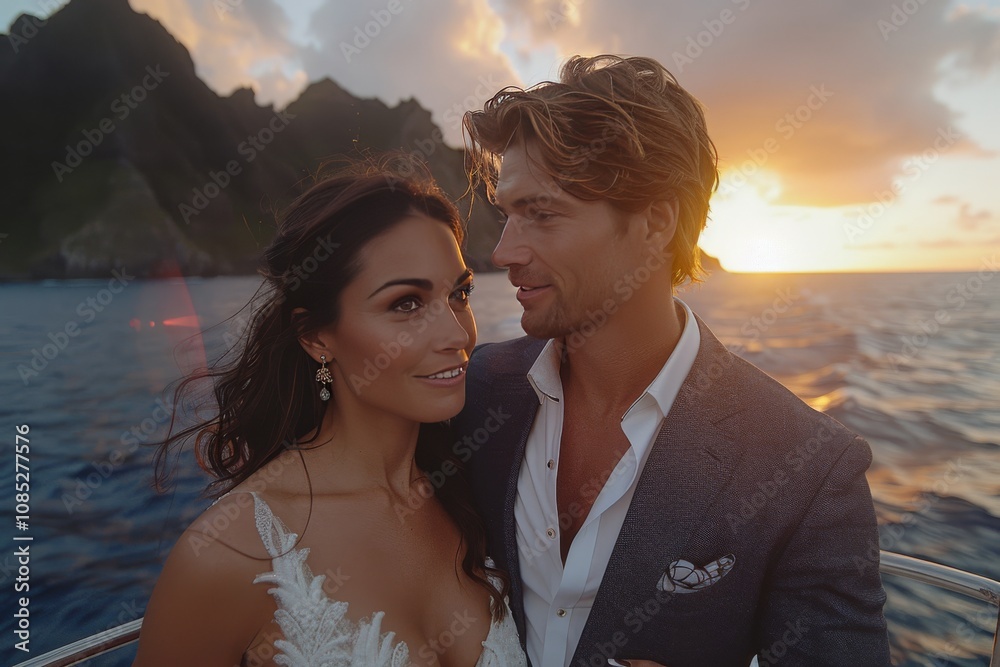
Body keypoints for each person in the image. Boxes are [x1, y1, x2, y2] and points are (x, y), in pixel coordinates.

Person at [455, 55, 891, 666]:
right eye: (507, 214)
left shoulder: (809, 468)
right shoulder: (473, 391)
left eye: (542, 214)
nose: (503, 252)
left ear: (656, 221)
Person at [134, 159, 527, 666]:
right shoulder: (233, 553)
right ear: (315, 336)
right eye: (406, 304)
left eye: (460, 294)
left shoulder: (480, 493)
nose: (456, 335)